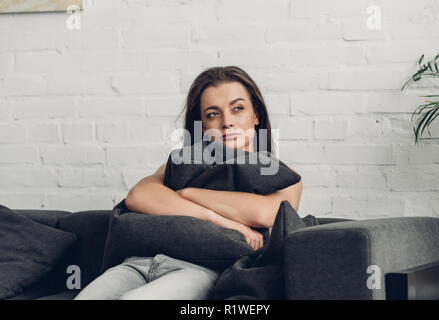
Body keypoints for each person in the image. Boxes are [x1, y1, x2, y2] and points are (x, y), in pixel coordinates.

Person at [74, 66, 303, 300]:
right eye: (213, 114)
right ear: (203, 127)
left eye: (238, 109)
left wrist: (190, 193)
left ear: (255, 115)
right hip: (138, 262)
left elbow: (265, 213)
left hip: (199, 270)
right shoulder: (185, 165)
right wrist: (217, 218)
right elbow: (139, 196)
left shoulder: (283, 175)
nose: (227, 122)